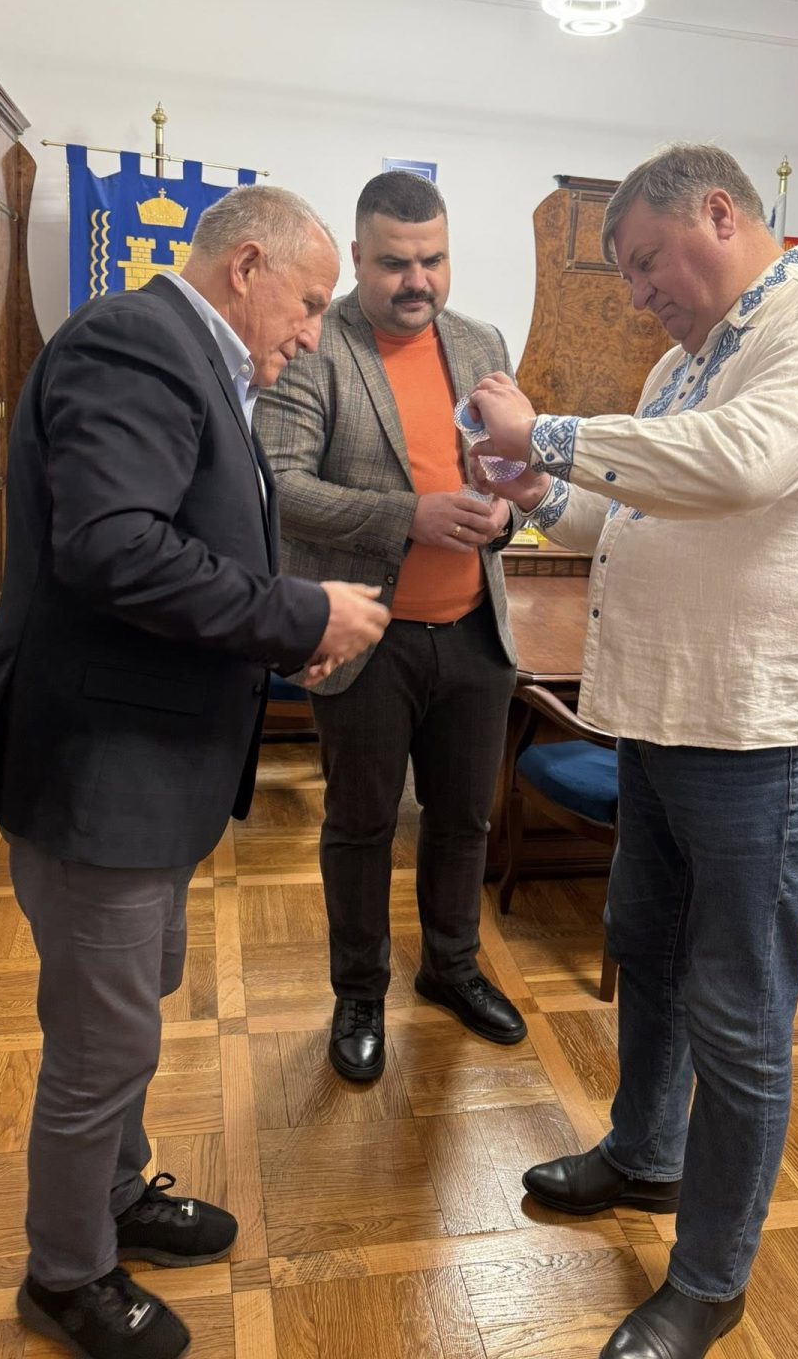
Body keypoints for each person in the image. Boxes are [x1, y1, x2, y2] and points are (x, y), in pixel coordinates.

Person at [464, 143, 798, 1359]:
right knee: (647, 952)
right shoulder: (682, 363)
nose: (637, 293)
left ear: (719, 212)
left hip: (766, 732)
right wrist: (535, 487)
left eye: (647, 261)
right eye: (625, 273)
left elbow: (740, 465)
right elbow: (628, 511)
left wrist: (549, 429)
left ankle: (714, 1279)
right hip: (666, 712)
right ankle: (646, 1151)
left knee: (739, 1013)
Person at [0, 186, 390, 1359]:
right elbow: (115, 547)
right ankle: (65, 1275)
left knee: (134, 1008)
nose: (312, 336)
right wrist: (299, 614)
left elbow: (185, 538)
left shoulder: (190, 358)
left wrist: (283, 623)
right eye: (308, 304)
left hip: (147, 775)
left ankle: (115, 1193)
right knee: (101, 1047)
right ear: (246, 267)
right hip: (99, 776)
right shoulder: (135, 343)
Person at [255, 171, 524, 1083]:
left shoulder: (481, 340)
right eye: (396, 264)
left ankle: (451, 967)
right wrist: (410, 516)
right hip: (367, 635)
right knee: (363, 823)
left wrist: (506, 511)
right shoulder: (314, 344)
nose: (419, 281)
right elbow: (283, 485)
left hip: (475, 629)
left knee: (463, 819)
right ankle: (359, 992)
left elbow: (509, 466)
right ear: (357, 259)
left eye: (434, 260)